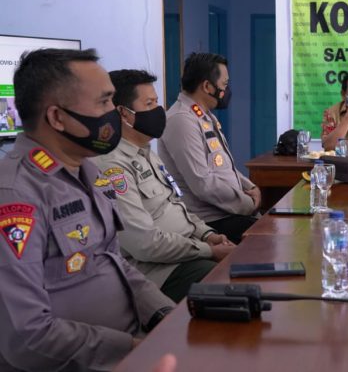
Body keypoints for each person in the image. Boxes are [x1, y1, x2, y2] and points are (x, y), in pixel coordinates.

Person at [0, 48, 174, 370]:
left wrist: (168, 316)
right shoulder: (14, 196)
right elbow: (26, 337)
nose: (114, 113)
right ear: (57, 117)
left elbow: (115, 263)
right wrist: (132, 350)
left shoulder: (89, 171)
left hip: (133, 340)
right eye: (104, 102)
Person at [92, 69, 236, 302]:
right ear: (123, 113)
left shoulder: (147, 153)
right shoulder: (112, 167)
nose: (158, 111)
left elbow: (177, 206)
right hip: (158, 271)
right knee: (229, 285)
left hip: (188, 251)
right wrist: (208, 250)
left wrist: (208, 235)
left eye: (157, 102)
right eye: (149, 104)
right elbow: (143, 244)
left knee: (244, 268)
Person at [158, 53, 260, 244]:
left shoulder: (204, 116)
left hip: (228, 212)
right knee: (270, 239)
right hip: (210, 222)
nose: (226, 90)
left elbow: (224, 166)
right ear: (207, 86)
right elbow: (202, 183)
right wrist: (247, 204)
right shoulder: (182, 120)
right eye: (224, 84)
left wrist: (249, 186)